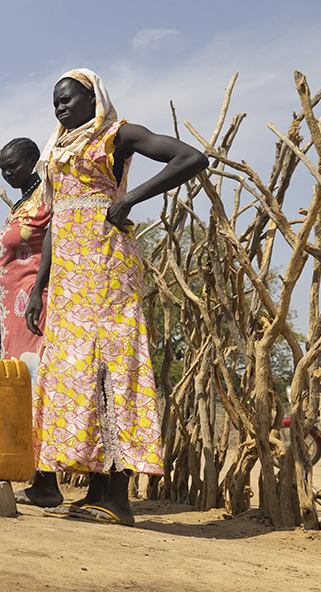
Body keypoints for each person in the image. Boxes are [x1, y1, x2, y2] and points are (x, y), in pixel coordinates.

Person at [24, 69, 207, 525]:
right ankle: (96, 492)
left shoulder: (118, 134)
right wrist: (39, 286)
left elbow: (191, 157)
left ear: (93, 97)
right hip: (68, 276)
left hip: (106, 269)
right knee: (76, 374)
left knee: (112, 367)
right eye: (55, 103)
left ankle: (119, 497)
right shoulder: (58, 148)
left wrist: (131, 198)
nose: (60, 108)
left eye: (68, 99)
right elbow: (56, 220)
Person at [0, 137, 63, 507]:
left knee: (39, 389)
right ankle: (38, 477)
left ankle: (47, 481)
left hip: (36, 309)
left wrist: (37, 293)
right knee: (23, 391)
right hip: (14, 316)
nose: (7, 173)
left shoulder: (47, 197)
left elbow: (54, 241)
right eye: (2, 167)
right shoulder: (24, 202)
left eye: (13, 166)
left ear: (34, 162)